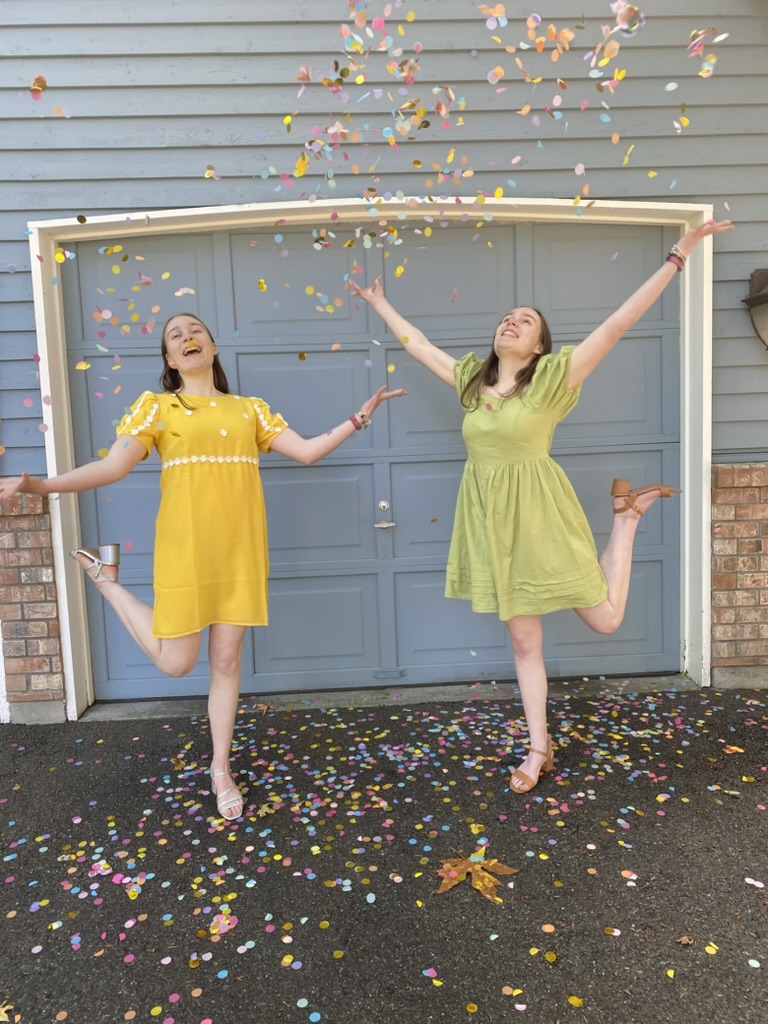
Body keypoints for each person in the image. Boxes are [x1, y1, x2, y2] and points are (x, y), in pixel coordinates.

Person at [350, 218, 734, 795]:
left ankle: (625, 522)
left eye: (525, 321)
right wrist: (381, 303)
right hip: (492, 523)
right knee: (524, 643)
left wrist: (678, 255)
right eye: (507, 317)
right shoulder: (471, 382)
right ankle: (537, 747)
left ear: (539, 346)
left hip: (542, 514)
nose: (511, 322)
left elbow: (619, 323)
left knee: (605, 619)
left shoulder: (555, 378)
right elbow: (420, 346)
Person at [0, 312, 406, 820]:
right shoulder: (158, 408)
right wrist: (42, 485)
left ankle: (220, 768)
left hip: (241, 550)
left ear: (212, 347)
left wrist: (357, 418)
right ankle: (108, 583)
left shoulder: (249, 410)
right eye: (175, 335)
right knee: (176, 663)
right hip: (186, 549)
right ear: (171, 360)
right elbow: (113, 466)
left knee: (228, 663)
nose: (187, 337)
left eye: (195, 330)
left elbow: (305, 452)